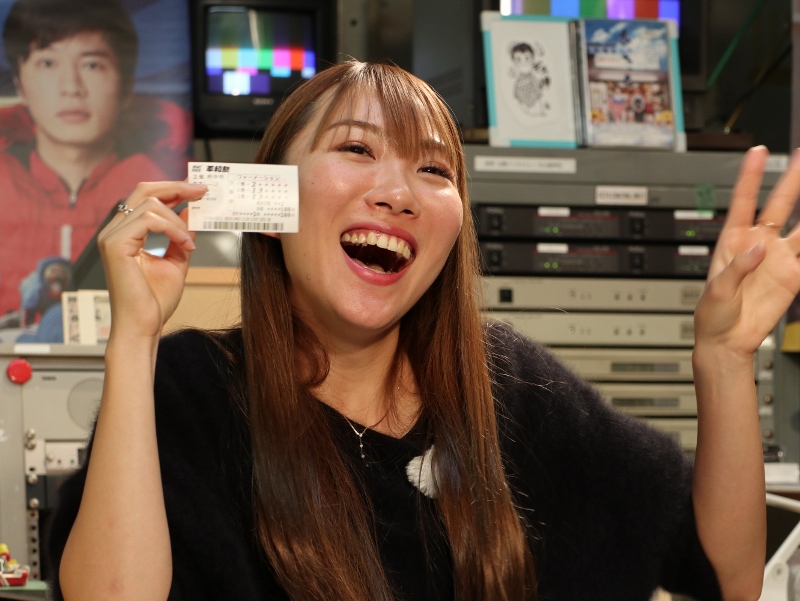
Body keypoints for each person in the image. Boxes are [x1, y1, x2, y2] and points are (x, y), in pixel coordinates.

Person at [47, 60, 800, 600]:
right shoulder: (190, 390)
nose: (398, 193)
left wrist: (725, 357)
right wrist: (133, 338)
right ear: (270, 200)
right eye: (356, 149)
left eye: (435, 171)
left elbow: (726, 572)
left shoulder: (511, 388)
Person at [0, 0, 191, 324]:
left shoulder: (167, 188)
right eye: (47, 63)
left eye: (92, 65)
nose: (71, 88)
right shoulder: (5, 180)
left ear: (126, 85)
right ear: (20, 84)